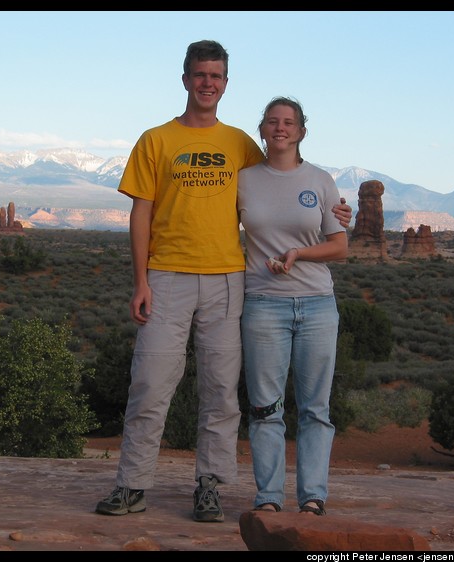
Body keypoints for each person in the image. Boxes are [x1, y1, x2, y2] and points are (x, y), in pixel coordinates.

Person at [95, 41, 351, 523]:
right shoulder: (156, 140)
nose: (207, 83)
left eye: (215, 76)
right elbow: (141, 211)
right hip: (167, 275)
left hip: (229, 280)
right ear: (186, 79)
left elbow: (283, 182)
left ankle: (209, 486)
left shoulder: (240, 145)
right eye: (199, 75)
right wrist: (140, 280)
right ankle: (131, 485)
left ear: (225, 83)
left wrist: (336, 210)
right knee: (150, 383)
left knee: (219, 389)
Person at [238, 96, 348, 516]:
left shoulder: (320, 180)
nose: (280, 128)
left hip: (318, 305)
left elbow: (339, 246)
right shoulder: (244, 180)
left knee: (315, 408)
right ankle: (268, 498)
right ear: (262, 129)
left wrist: (298, 255)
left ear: (302, 131)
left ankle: (312, 498)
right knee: (266, 408)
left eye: (288, 122)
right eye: (272, 122)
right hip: (264, 305)